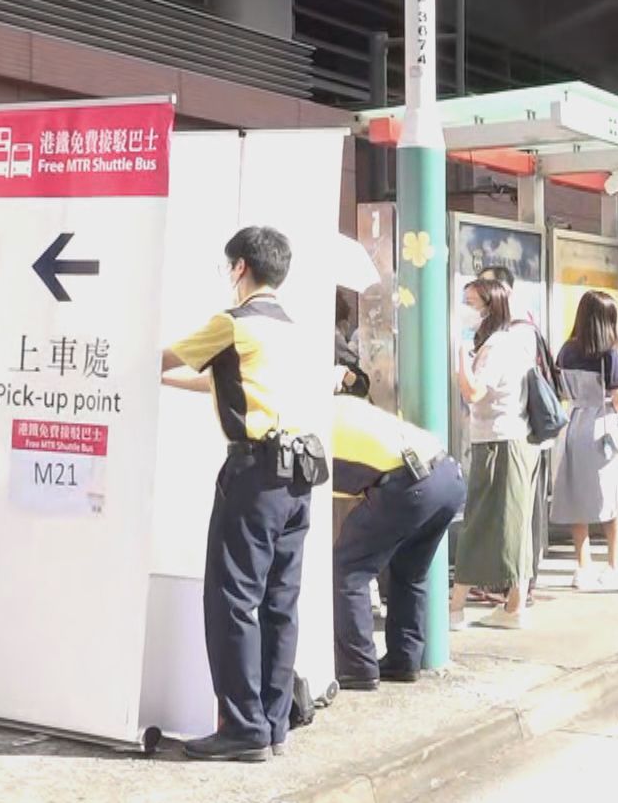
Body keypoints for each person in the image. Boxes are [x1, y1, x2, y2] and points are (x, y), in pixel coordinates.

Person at [160, 227, 310, 762]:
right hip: (298, 476)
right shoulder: (291, 328)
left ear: (240, 267)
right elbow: (229, 381)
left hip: (253, 474)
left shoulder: (233, 323)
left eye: (229, 267)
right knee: (279, 603)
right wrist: (173, 383)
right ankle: (271, 724)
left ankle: (241, 727)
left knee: (233, 599)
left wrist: (135, 368)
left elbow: (165, 357)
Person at [330, 393, 464, 691]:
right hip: (448, 476)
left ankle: (357, 668)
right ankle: (404, 660)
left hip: (409, 485)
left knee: (347, 567)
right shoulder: (346, 405)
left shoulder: (312, 428)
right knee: (409, 572)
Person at [455, 278, 542, 630]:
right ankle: (513, 606)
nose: (466, 309)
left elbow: (473, 392)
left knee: (481, 521)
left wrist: (461, 353)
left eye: (471, 302)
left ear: (491, 307)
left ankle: (456, 605)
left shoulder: (495, 347)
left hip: (498, 441)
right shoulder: (512, 341)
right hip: (514, 439)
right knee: (513, 523)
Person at [550, 290, 618, 591]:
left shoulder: (566, 350)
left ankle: (582, 565)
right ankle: (614, 565)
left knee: (578, 494)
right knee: (616, 497)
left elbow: (561, 390)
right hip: (602, 427)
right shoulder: (609, 354)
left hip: (573, 424)